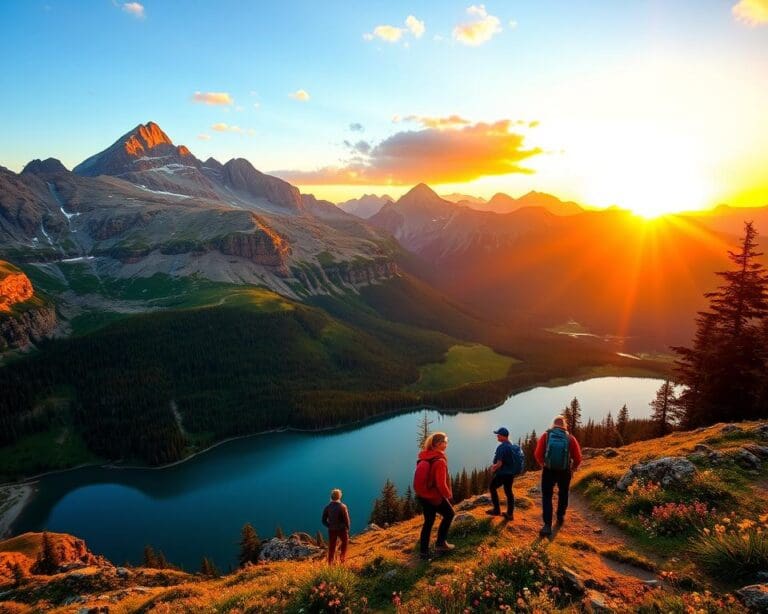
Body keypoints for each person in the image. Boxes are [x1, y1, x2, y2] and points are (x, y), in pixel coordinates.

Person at [534, 415, 582, 537]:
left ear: (553, 425)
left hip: (548, 470)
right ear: (564, 425)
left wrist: (543, 464)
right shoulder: (570, 438)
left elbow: (538, 454)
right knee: (563, 493)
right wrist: (573, 469)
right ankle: (560, 516)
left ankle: (547, 525)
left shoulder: (546, 436)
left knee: (547, 496)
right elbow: (578, 457)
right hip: (564, 471)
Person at [413, 431, 455, 560]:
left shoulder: (425, 456)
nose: (447, 445)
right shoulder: (439, 461)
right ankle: (440, 544)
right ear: (438, 444)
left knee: (428, 522)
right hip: (434, 497)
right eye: (445, 442)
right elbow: (441, 484)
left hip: (424, 496)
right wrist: (448, 496)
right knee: (449, 514)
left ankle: (423, 553)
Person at [486, 427, 521, 519]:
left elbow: (499, 463)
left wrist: (493, 468)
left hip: (503, 473)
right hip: (511, 473)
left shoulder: (502, 447)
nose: (497, 436)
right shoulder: (512, 445)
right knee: (508, 492)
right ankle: (510, 514)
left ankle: (496, 510)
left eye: (499, 435)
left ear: (503, 436)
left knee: (492, 487)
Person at [322, 488, 351, 564]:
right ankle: (342, 560)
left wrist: (330, 526)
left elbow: (323, 520)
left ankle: (330, 563)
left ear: (331, 497)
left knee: (332, 546)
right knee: (345, 542)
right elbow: (346, 519)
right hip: (342, 529)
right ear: (339, 496)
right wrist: (347, 528)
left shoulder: (327, 507)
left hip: (332, 530)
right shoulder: (343, 506)